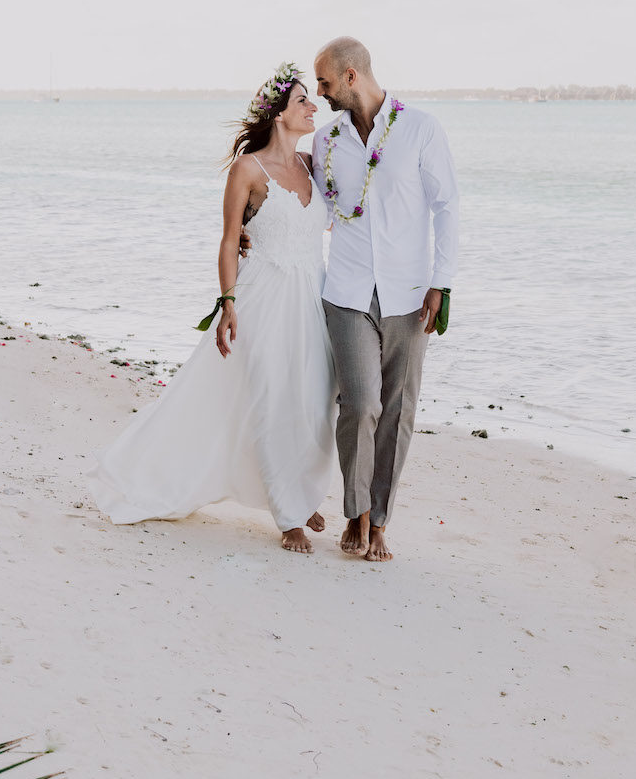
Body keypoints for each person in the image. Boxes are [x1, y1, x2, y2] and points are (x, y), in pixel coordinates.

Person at [88, 63, 337, 554]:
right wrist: (227, 302)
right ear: (279, 116)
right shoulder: (249, 170)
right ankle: (288, 515)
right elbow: (228, 242)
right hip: (264, 295)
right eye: (303, 102)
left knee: (314, 402)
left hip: (314, 297)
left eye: (313, 99)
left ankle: (303, 491)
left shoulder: (315, 163)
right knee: (271, 398)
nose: (314, 108)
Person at [311, 37, 459, 563]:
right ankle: (355, 510)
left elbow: (447, 208)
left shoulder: (420, 130)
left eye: (326, 82)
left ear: (351, 76)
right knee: (361, 403)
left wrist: (441, 283)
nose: (321, 93)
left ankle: (379, 521)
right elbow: (309, 206)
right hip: (347, 292)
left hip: (409, 295)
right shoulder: (326, 140)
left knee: (398, 409)